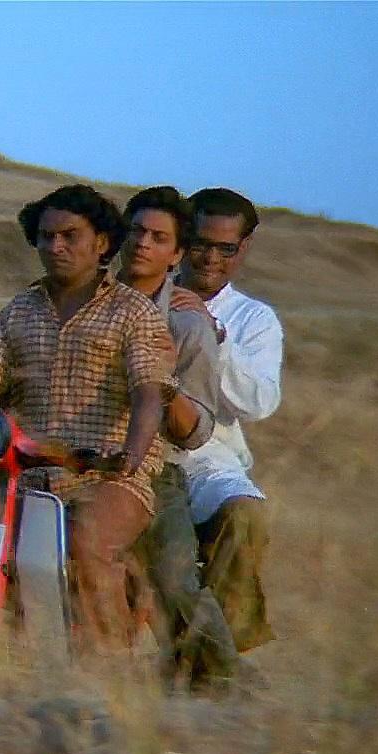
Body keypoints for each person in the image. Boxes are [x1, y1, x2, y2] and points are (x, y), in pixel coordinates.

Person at [0, 184, 175, 651]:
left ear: (102, 243)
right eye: (46, 237)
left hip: (105, 476)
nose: (55, 246)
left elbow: (149, 391)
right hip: (20, 476)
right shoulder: (19, 311)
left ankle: (105, 671)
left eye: (70, 236)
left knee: (87, 544)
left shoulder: (134, 312)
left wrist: (130, 456)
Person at [114, 186, 241, 688]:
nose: (143, 243)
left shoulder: (187, 324)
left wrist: (162, 382)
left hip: (150, 468)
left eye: (158, 237)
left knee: (173, 578)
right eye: (136, 231)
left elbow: (196, 432)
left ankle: (224, 681)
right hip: (68, 458)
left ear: (177, 254)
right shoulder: (84, 300)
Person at [175, 187, 285, 656]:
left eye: (226, 248)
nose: (210, 259)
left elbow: (258, 403)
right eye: (201, 244)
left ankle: (227, 658)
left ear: (245, 247)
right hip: (132, 450)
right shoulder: (142, 295)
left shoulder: (253, 319)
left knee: (244, 516)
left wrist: (213, 334)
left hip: (207, 458)